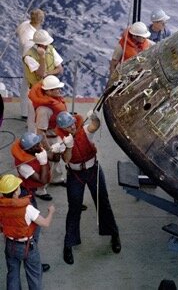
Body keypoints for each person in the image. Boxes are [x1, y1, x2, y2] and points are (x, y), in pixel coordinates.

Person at [55, 110, 120, 265]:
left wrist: (95, 117)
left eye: (72, 123)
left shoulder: (83, 130)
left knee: (103, 202)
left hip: (93, 170)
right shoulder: (62, 140)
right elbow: (66, 159)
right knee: (74, 208)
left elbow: (94, 126)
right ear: (62, 128)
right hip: (75, 174)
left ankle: (114, 233)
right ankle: (69, 244)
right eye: (67, 126)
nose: (71, 127)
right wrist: (68, 146)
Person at [0, 174, 55, 290]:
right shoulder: (27, 209)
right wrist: (51, 212)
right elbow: (45, 223)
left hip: (10, 245)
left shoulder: (1, 207)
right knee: (34, 276)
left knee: (12, 275)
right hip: (27, 247)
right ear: (15, 193)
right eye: (18, 186)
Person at [28, 75, 67, 187]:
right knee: (46, 162)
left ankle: (56, 178)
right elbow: (40, 132)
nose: (60, 90)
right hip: (48, 138)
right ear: (49, 91)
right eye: (57, 88)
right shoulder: (44, 110)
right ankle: (41, 189)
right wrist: (48, 149)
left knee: (56, 159)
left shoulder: (53, 101)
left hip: (55, 135)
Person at [23, 29, 64, 133]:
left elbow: (60, 69)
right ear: (38, 44)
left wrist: (47, 74)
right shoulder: (29, 56)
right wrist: (41, 57)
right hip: (35, 91)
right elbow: (40, 73)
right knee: (33, 118)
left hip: (50, 89)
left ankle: (48, 133)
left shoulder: (50, 49)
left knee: (51, 112)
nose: (47, 46)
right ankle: (33, 137)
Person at [16, 9, 45, 119]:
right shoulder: (31, 38)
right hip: (29, 60)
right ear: (40, 20)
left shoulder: (24, 24)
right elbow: (28, 50)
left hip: (25, 58)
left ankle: (25, 112)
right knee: (31, 86)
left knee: (25, 85)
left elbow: (17, 32)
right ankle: (29, 113)